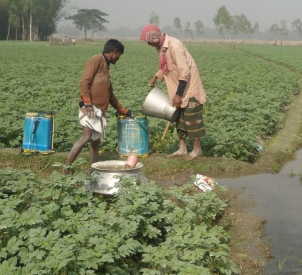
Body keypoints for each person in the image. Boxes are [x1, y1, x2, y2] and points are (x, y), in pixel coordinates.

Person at [140, 24, 206, 161]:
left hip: (189, 88)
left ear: (155, 38)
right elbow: (166, 67)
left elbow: (184, 72)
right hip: (178, 88)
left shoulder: (174, 46)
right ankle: (182, 148)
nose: (148, 44)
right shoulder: (162, 48)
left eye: (148, 40)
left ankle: (197, 149)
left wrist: (178, 95)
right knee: (179, 118)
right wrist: (156, 76)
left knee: (192, 119)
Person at [65, 39, 132, 172]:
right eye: (119, 55)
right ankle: (66, 167)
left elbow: (110, 94)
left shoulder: (106, 67)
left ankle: (93, 171)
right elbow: (85, 81)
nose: (119, 58)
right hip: (90, 107)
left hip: (99, 110)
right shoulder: (96, 60)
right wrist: (88, 104)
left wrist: (123, 110)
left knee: (95, 143)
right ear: (114, 52)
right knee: (86, 136)